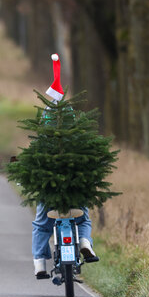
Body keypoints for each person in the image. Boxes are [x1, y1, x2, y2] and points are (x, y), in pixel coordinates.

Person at [32, 54, 97, 278]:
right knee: (84, 217)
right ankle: (85, 242)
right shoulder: (77, 143)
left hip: (49, 192)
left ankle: (40, 263)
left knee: (42, 223)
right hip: (74, 191)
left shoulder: (42, 145)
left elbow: (32, 163)